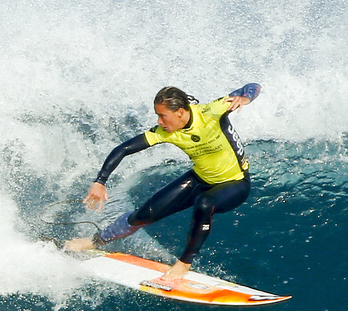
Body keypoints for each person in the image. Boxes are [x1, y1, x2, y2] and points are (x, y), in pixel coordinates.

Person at [65, 84, 261, 289]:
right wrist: (100, 181)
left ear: (180, 112)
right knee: (142, 215)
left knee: (204, 204)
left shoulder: (212, 112)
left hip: (235, 182)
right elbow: (123, 149)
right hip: (200, 178)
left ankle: (184, 263)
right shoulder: (165, 131)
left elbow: (253, 87)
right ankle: (95, 241)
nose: (159, 122)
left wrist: (246, 98)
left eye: (162, 116)